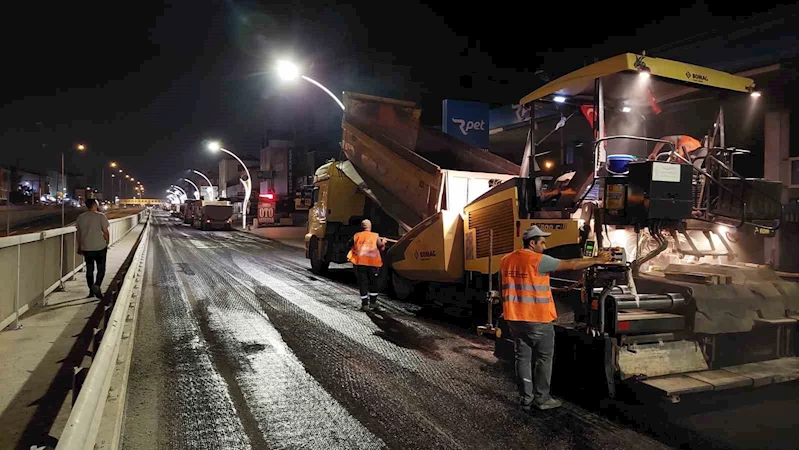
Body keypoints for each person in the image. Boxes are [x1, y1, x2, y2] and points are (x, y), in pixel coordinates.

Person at [500, 225, 610, 411]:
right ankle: (542, 399)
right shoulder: (538, 260)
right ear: (532, 243)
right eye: (542, 242)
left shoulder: (506, 260)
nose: (544, 246)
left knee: (522, 358)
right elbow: (572, 264)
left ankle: (526, 398)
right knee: (544, 358)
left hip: (514, 318)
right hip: (538, 319)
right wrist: (597, 259)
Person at [347, 219, 385, 311]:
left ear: (362, 227)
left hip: (360, 263)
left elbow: (349, 244)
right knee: (373, 283)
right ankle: (373, 303)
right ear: (370, 227)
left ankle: (364, 305)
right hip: (373, 264)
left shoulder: (357, 236)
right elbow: (381, 247)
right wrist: (383, 242)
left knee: (363, 283)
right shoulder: (375, 236)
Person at [76, 198, 110, 299]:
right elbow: (105, 231)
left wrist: (79, 246)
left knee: (89, 269)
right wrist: (107, 242)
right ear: (95, 205)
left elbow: (79, 234)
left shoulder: (81, 217)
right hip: (100, 247)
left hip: (86, 247)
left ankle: (91, 291)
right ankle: (97, 285)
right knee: (101, 269)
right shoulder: (101, 216)